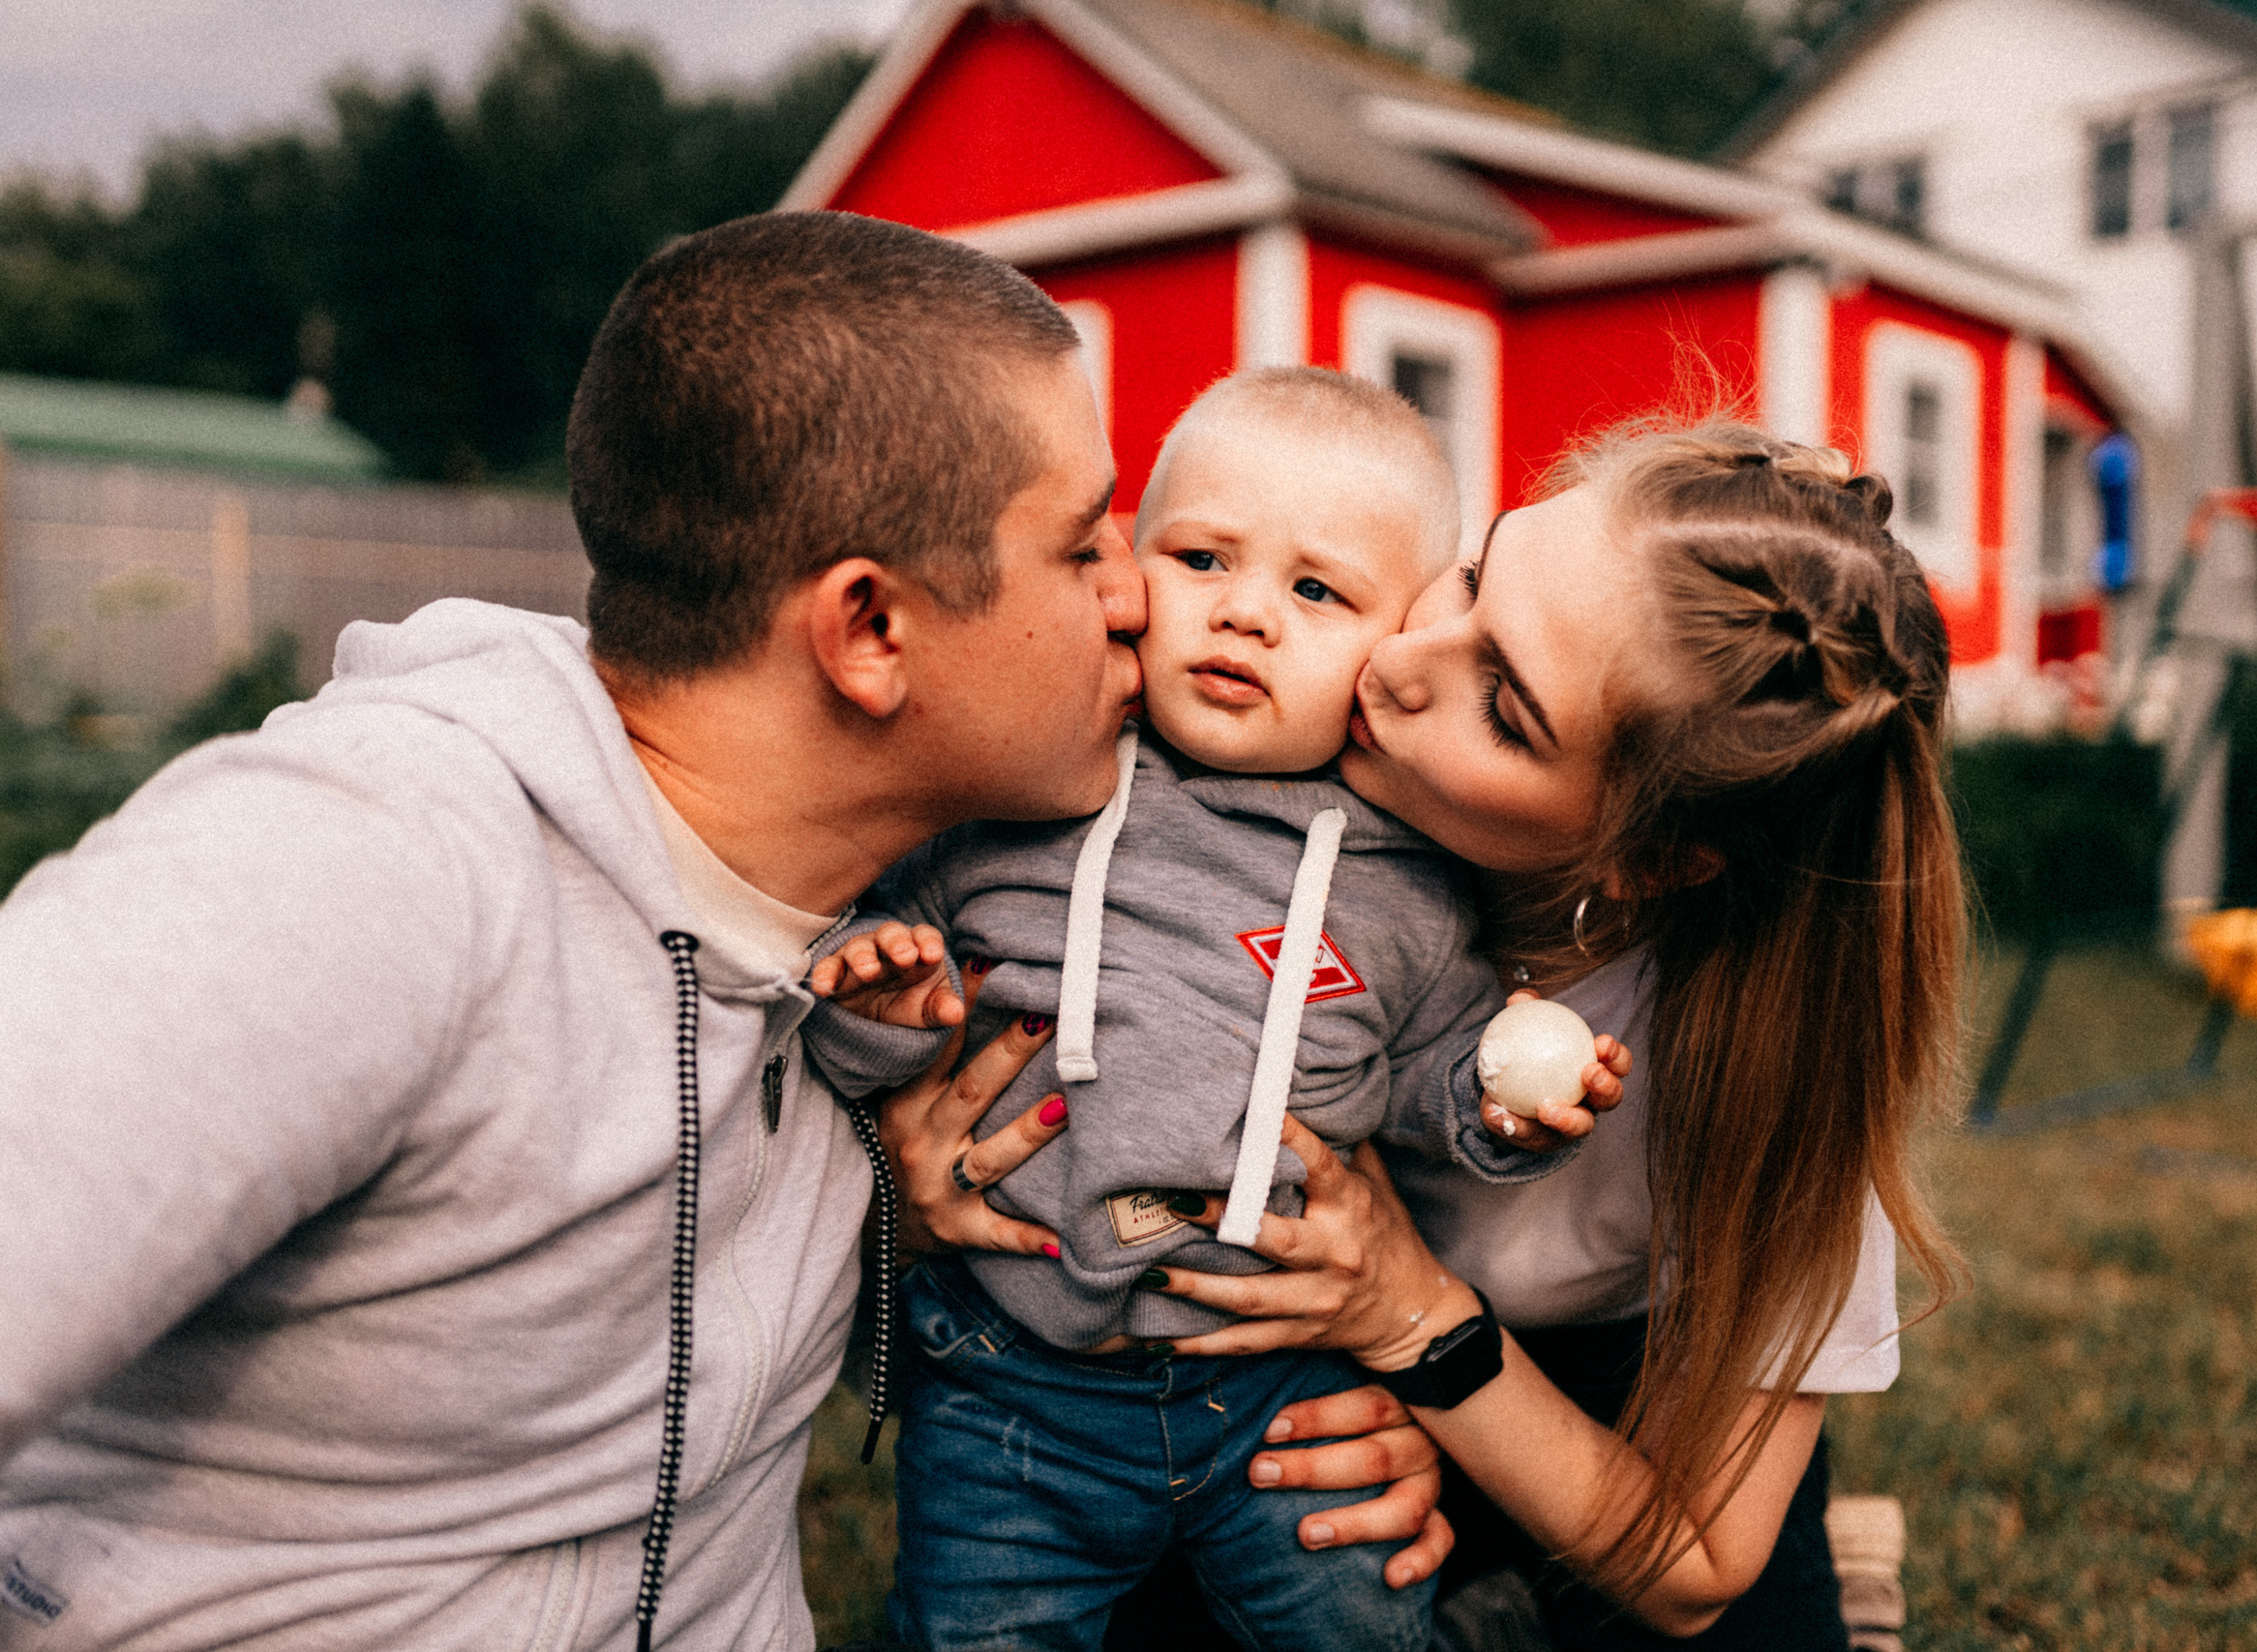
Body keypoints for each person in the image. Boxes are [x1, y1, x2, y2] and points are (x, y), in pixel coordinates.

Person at [0, 211, 1154, 1651]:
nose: (1141, 593)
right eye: (1082, 540)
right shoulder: (366, 865)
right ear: (868, 628)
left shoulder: (899, 922)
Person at [912, 421, 1965, 1647]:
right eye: (1471, 578)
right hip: (1273, 1365)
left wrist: (1417, 1329)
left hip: (1594, 1415)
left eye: (1503, 709)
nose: (1399, 657)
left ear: (1649, 858)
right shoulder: (1221, 805)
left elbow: (1695, 1563)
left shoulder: (1763, 1065)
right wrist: (914, 1173)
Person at [802, 369, 1625, 1652]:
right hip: (1018, 1377)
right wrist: (881, 1000)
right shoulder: (1026, 793)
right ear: (1130, 563)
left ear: (1392, 640)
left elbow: (1422, 1079)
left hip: (1282, 1384)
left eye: (1316, 590)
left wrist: (1506, 1111)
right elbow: (881, 1029)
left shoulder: (1409, 885)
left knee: (1362, 1622)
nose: (1245, 612)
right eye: (1201, 557)